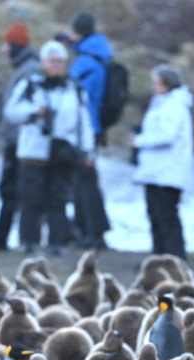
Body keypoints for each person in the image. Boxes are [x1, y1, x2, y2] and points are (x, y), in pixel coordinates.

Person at [3, 40, 95, 255]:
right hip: (33, 151)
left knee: (59, 198)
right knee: (30, 197)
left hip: (62, 150)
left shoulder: (74, 89)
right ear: (44, 62)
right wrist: (36, 111)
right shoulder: (30, 85)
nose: (56, 65)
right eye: (52, 61)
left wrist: (87, 150)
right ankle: (28, 240)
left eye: (60, 61)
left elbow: (84, 123)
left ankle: (57, 240)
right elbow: (11, 111)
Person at [0, 22, 41, 252]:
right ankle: (5, 237)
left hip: (19, 143)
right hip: (17, 141)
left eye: (6, 45)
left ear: (15, 45)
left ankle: (4, 238)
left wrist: (13, 136)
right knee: (12, 189)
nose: (3, 50)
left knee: (12, 189)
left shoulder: (28, 70)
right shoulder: (25, 68)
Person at [132, 65, 193, 258]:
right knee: (155, 217)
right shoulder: (161, 103)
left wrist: (139, 141)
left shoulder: (173, 106)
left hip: (168, 171)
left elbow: (167, 135)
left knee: (166, 217)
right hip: (156, 171)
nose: (153, 87)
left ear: (166, 85)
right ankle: (158, 257)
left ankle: (174, 258)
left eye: (156, 82)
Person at [65, 11, 112, 250]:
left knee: (85, 182)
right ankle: (89, 231)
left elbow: (76, 96)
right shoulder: (98, 54)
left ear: (79, 33)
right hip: (92, 128)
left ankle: (93, 232)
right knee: (84, 181)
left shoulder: (86, 61)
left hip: (85, 130)